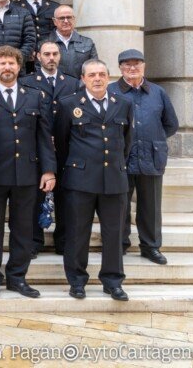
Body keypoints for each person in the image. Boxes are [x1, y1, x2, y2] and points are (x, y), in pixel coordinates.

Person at [0, 46, 56, 299]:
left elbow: (44, 137)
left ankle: (17, 277)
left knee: (23, 228)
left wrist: (49, 170)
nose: (7, 68)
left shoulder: (35, 96)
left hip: (27, 174)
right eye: (2, 64)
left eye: (11, 63)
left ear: (20, 67)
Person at [55, 59, 133, 301]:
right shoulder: (69, 104)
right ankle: (77, 281)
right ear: (83, 79)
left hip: (114, 180)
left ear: (108, 77)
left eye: (102, 74)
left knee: (114, 234)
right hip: (80, 181)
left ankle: (112, 281)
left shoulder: (123, 103)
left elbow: (127, 141)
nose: (97, 79)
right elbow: (61, 142)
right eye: (92, 75)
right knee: (78, 233)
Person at [109, 49, 179, 265]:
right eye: (127, 64)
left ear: (144, 66)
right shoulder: (111, 91)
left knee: (151, 206)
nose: (132, 68)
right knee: (119, 204)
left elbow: (171, 124)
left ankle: (150, 247)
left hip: (151, 156)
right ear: (120, 68)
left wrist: (152, 138)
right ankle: (119, 244)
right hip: (121, 159)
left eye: (137, 64)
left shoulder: (157, 92)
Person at [20, 40, 80, 256]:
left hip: (66, 149)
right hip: (36, 147)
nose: (51, 58)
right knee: (35, 196)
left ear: (60, 56)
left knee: (65, 195)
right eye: (47, 54)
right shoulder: (27, 82)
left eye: (55, 53)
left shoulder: (73, 84)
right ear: (38, 56)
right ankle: (35, 241)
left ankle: (62, 241)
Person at [15, 0, 59, 72]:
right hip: (26, 60)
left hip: (49, 58)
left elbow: (57, 33)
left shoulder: (54, 7)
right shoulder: (15, 7)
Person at [48, 5, 98, 78]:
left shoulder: (87, 43)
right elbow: (39, 70)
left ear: (74, 19)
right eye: (62, 18)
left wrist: (79, 85)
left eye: (69, 17)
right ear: (55, 21)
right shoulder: (44, 44)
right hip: (54, 88)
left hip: (80, 87)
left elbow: (94, 68)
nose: (66, 21)